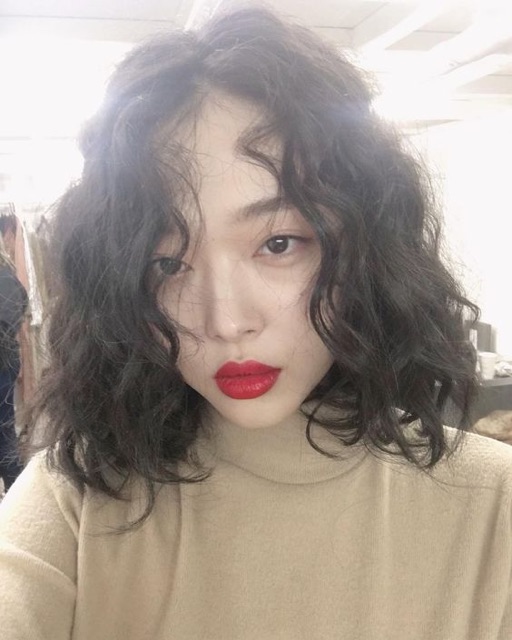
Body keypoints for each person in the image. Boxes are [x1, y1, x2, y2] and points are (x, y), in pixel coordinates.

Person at [0, 6, 511, 639]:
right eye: (168, 263)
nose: (226, 321)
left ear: (367, 250)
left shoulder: (494, 510)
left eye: (278, 244)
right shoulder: (75, 504)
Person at [0, 230, 27, 492]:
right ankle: (14, 488)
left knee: (4, 430)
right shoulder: (8, 278)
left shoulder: (4, 279)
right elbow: (22, 307)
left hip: (3, 363)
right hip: (7, 360)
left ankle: (14, 488)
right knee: (5, 429)